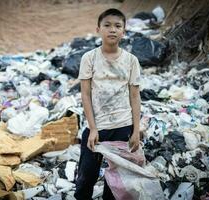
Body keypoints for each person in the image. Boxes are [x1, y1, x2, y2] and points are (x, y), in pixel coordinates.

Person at [74, 8, 141, 200]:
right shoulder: (90, 58)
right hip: (97, 129)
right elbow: (85, 94)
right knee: (86, 176)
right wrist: (93, 128)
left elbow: (135, 96)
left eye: (118, 26)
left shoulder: (131, 60)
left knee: (116, 182)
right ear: (98, 29)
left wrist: (136, 130)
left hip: (123, 128)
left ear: (124, 31)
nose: (112, 30)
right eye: (107, 25)